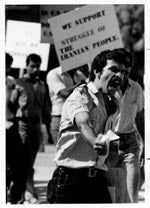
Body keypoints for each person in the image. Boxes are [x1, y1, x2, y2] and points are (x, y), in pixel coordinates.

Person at [46, 48, 132, 203]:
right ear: (97, 71)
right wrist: (95, 142)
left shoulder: (113, 101)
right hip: (70, 182)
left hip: (96, 180)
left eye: (124, 72)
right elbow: (82, 123)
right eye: (113, 70)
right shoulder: (81, 95)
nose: (119, 76)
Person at [105, 48, 144, 203]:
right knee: (112, 195)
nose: (121, 75)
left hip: (130, 144)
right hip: (109, 145)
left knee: (131, 195)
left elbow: (140, 117)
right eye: (117, 70)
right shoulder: (104, 89)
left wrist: (145, 143)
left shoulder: (136, 88)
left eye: (125, 70)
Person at [11, 54, 51, 203]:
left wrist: (47, 126)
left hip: (36, 126)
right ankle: (27, 193)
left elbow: (46, 108)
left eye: (38, 66)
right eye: (33, 66)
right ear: (27, 66)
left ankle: (24, 192)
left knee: (31, 160)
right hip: (22, 125)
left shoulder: (41, 85)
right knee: (24, 161)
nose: (35, 69)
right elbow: (11, 105)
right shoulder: (18, 83)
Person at [46, 65, 88, 145]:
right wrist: (80, 84)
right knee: (62, 153)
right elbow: (64, 93)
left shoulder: (80, 74)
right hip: (60, 117)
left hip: (77, 117)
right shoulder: (54, 73)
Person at [6, 53, 27, 204]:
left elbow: (13, 107)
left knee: (18, 166)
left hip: (10, 127)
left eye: (8, 65)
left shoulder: (11, 82)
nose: (7, 69)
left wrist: (15, 93)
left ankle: (14, 198)